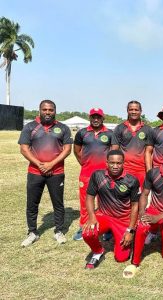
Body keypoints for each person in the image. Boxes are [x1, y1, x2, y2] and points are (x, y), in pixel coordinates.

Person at [123, 145, 163, 278]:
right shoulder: (153, 173)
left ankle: (161, 234)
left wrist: (159, 217)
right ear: (161, 156)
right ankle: (134, 262)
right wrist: (142, 212)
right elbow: (144, 194)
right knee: (141, 227)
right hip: (153, 211)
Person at [19, 99, 73, 247]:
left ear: (55, 111)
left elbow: (67, 150)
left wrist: (51, 164)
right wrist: (39, 164)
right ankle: (32, 232)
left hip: (56, 172)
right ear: (40, 110)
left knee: (58, 203)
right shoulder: (30, 127)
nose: (48, 112)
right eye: (45, 109)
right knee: (32, 203)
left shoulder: (63, 128)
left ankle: (59, 231)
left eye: (51, 110)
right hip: (35, 172)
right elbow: (24, 149)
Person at [82, 150, 140, 269]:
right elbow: (89, 197)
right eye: (112, 163)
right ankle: (98, 251)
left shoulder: (132, 180)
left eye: (118, 163)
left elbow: (135, 206)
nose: (115, 166)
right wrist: (92, 217)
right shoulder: (97, 175)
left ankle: (121, 238)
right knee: (87, 233)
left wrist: (130, 230)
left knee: (121, 258)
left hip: (123, 220)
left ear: (123, 163)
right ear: (106, 163)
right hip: (104, 215)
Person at [72, 108, 117, 241]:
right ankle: (84, 226)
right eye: (93, 117)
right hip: (86, 174)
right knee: (85, 201)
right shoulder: (82, 133)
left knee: (107, 201)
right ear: (90, 118)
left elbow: (114, 153)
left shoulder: (109, 133)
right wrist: (85, 164)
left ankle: (108, 228)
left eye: (98, 117)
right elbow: (77, 151)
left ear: (103, 118)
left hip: (105, 175)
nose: (96, 119)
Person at [112, 100, 152, 186]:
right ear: (127, 111)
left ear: (141, 111)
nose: (133, 112)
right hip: (124, 170)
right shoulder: (119, 128)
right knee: (123, 197)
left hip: (141, 170)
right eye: (131, 109)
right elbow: (114, 150)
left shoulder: (148, 129)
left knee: (141, 198)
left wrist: (149, 173)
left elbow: (149, 152)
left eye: (136, 110)